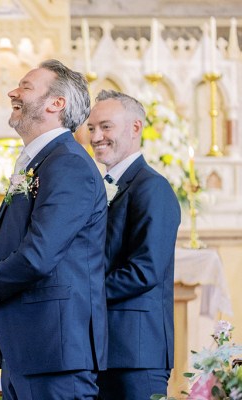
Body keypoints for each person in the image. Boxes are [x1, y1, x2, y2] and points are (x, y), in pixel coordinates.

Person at [0, 59, 108, 399]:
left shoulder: (68, 164)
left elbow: (37, 258)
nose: (12, 91)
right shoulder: (42, 161)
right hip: (30, 350)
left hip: (55, 352)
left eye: (25, 86)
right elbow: (18, 249)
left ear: (56, 104)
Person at [87, 89, 180, 399]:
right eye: (91, 128)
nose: (96, 136)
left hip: (137, 354)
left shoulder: (152, 187)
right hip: (104, 351)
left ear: (135, 127)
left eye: (106, 126)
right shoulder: (102, 187)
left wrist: (83, 293)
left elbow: (144, 271)